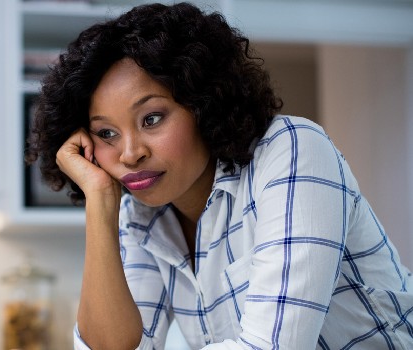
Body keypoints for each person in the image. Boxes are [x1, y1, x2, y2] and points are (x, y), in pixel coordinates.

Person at [25, 3, 413, 349]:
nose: (130, 153)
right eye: (106, 133)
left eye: (152, 118)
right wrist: (99, 199)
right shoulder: (143, 214)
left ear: (202, 104)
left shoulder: (293, 150)